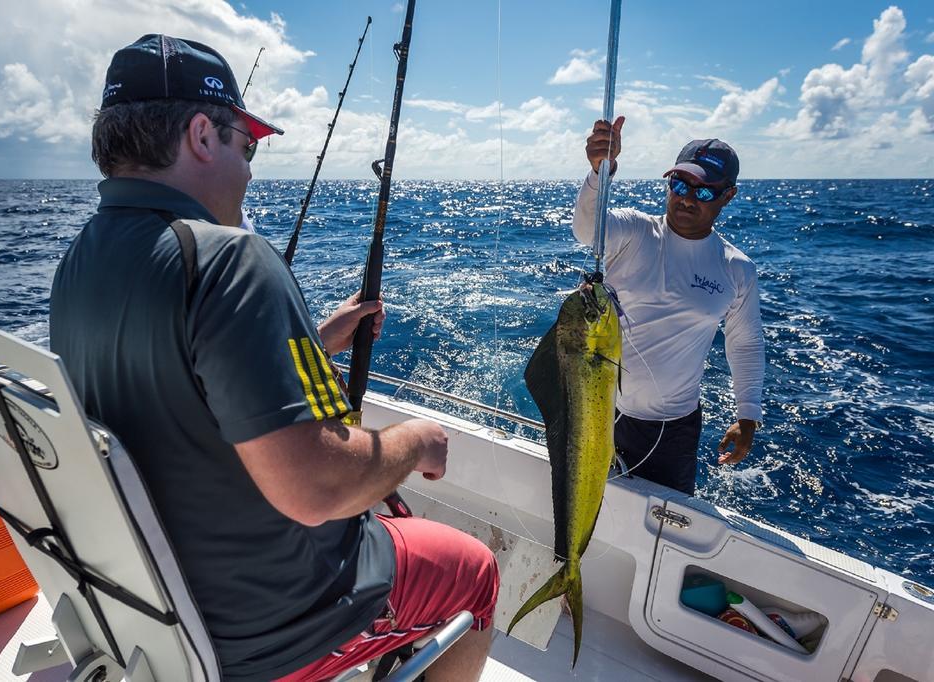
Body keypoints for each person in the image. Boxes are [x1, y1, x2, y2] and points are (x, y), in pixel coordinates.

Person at [50, 35, 497, 681]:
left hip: (153, 600)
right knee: (474, 571)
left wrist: (311, 343)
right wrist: (415, 441)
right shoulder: (231, 258)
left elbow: (177, 383)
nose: (252, 167)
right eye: (245, 143)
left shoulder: (81, 261)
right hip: (270, 627)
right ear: (203, 135)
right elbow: (317, 489)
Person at [572, 116, 765, 495]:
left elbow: (744, 342)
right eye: (680, 184)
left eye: (705, 191)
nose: (688, 197)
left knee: (661, 527)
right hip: (600, 410)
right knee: (585, 507)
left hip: (674, 431)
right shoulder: (634, 231)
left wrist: (748, 415)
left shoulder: (736, 268)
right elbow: (586, 228)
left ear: (729, 195)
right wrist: (599, 171)